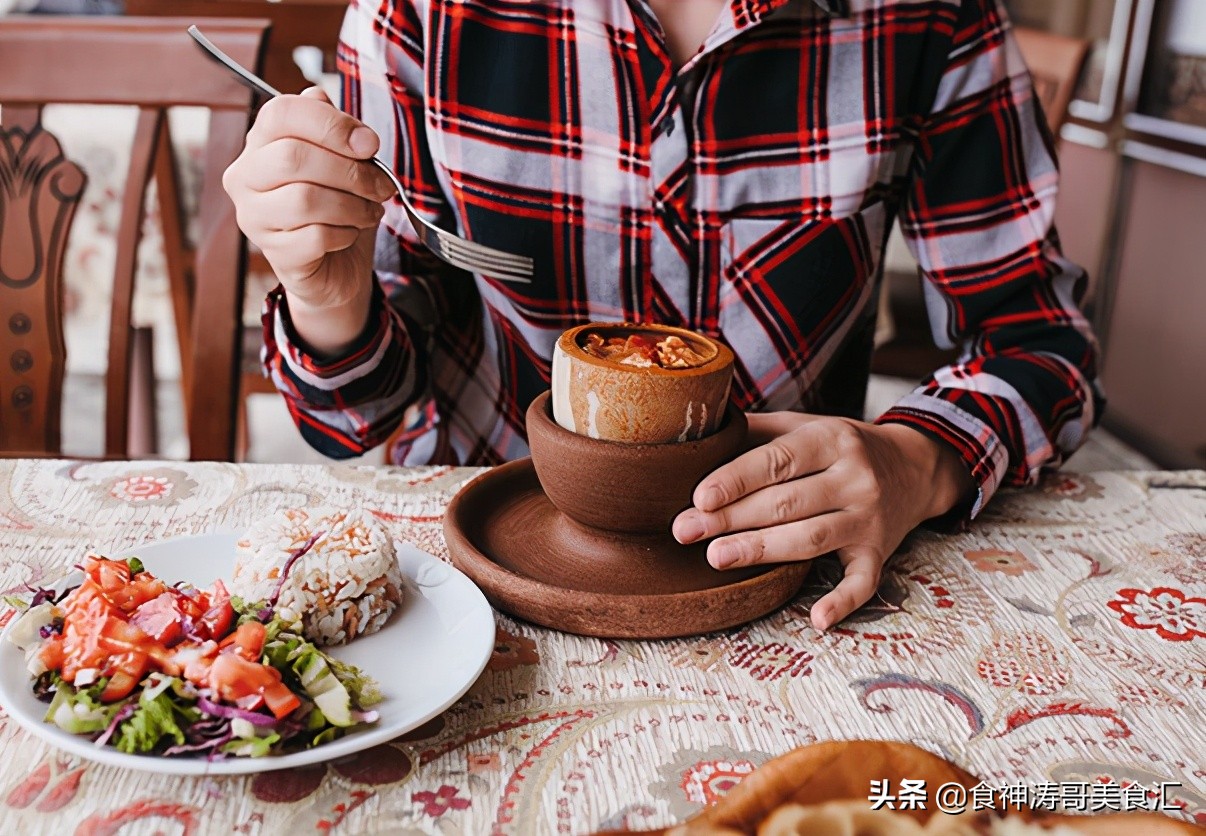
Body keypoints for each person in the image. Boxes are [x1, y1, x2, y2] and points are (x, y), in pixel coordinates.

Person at [223, 0, 1102, 632]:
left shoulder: (927, 19)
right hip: (471, 592)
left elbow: (1037, 339)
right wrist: (331, 299)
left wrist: (918, 460)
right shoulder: (416, 15)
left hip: (785, 575)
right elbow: (353, 419)